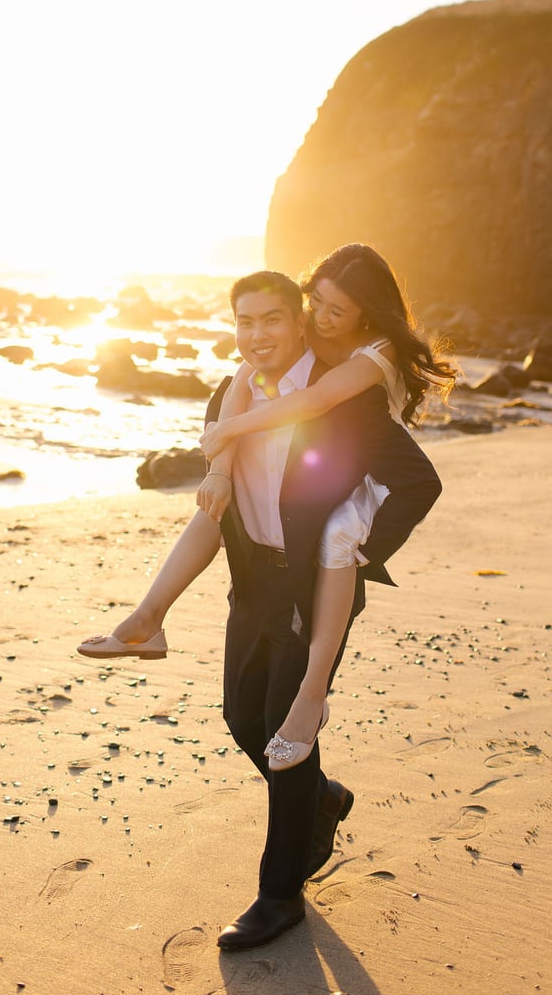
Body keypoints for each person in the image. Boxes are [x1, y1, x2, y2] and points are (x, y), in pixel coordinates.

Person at [81, 266, 442, 949]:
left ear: (300, 321)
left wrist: (359, 548)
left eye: (272, 318)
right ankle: (321, 798)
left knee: (285, 734)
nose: (258, 334)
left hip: (314, 588)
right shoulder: (230, 394)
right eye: (244, 321)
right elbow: (213, 515)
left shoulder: (344, 400)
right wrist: (150, 611)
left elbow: (419, 480)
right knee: (243, 717)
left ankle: (280, 896)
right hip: (252, 586)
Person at [197, 244, 454, 767]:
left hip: (367, 470)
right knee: (245, 714)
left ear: (367, 311)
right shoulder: (313, 326)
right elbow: (247, 371)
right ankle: (149, 614)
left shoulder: (377, 351)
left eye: (338, 310)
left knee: (339, 534)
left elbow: (314, 401)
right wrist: (222, 462)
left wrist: (232, 428)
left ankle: (313, 695)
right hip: (328, 460)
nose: (323, 318)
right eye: (316, 302)